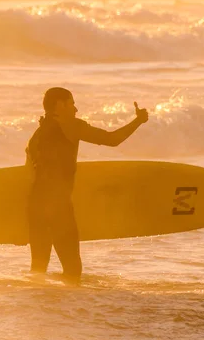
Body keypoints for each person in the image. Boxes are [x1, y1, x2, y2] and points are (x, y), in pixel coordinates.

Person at [25, 87, 149, 283]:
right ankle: (69, 312)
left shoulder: (36, 136)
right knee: (72, 271)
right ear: (59, 105)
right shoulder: (71, 125)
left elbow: (30, 174)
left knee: (38, 269)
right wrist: (138, 121)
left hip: (36, 205)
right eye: (72, 103)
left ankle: (39, 311)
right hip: (58, 207)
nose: (76, 109)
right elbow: (112, 139)